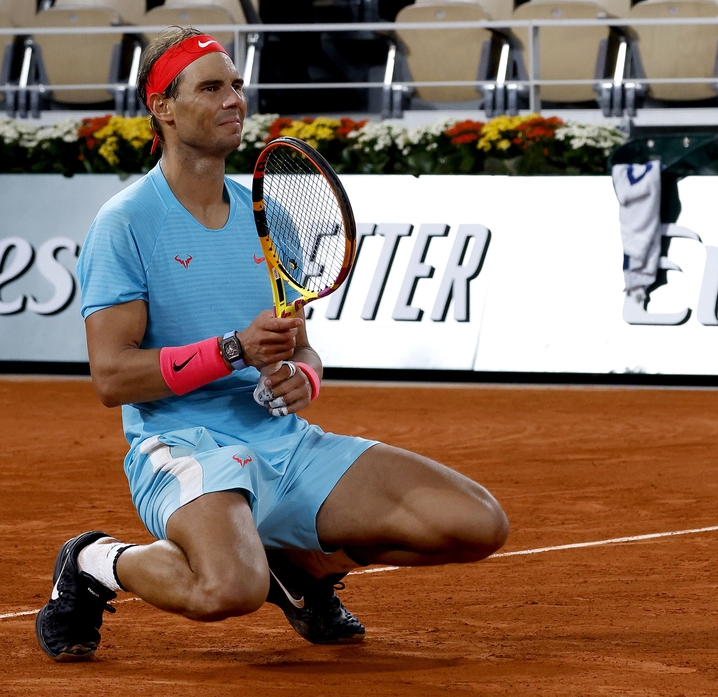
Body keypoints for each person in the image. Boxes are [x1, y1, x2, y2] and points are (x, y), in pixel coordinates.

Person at [35, 27, 509, 662]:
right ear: (163, 107)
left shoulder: (266, 213)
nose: (234, 99)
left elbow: (300, 348)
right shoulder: (124, 223)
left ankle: (305, 568)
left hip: (282, 444)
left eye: (236, 84)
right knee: (228, 588)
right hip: (183, 447)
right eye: (211, 87)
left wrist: (301, 378)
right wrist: (232, 350)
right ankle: (96, 561)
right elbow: (112, 377)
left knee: (477, 523)